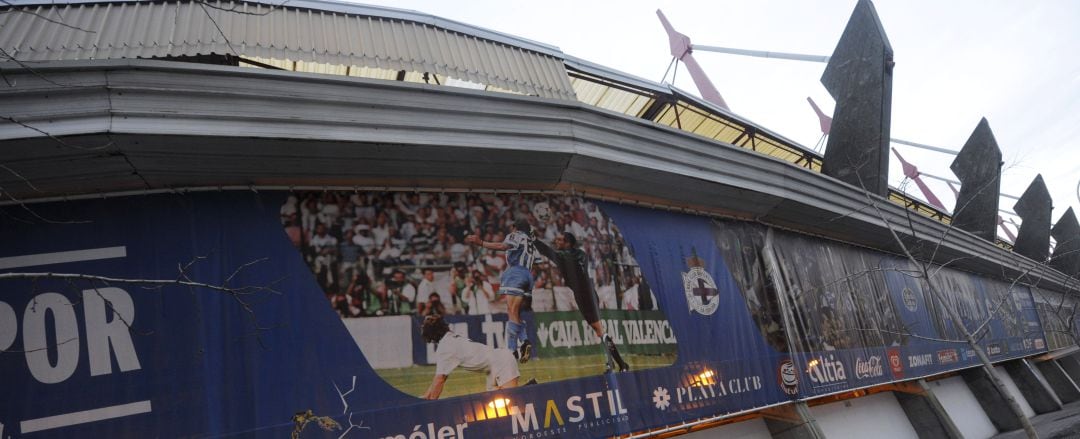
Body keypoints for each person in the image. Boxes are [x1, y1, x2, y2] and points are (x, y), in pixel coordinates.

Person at [534, 232, 630, 372]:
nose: (556, 241)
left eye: (560, 240)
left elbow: (547, 251)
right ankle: (619, 364)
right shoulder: (581, 254)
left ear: (567, 243)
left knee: (600, 331)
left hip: (584, 295)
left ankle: (617, 364)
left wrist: (533, 238)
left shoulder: (564, 256)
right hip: (588, 292)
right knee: (599, 331)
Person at [465, 219, 536, 363]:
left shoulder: (516, 235)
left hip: (515, 273)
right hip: (528, 275)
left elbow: (502, 246)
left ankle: (511, 350)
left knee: (511, 311)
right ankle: (524, 341)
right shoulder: (530, 241)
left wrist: (481, 243)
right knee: (515, 312)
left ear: (515, 227)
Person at [420, 315, 534, 399]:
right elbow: (438, 379)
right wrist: (426, 396)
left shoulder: (444, 348)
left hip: (501, 363)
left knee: (510, 401)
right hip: (494, 366)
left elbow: (440, 380)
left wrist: (430, 406)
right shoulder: (449, 338)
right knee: (496, 404)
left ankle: (531, 391)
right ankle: (529, 388)